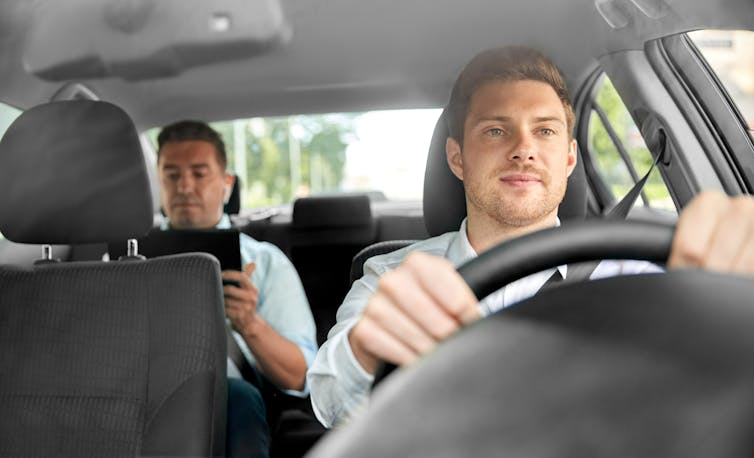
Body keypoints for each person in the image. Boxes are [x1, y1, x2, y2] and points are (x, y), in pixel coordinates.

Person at [307, 46, 754, 429]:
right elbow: (329, 403)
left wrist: (729, 299)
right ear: (457, 158)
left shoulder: (638, 274)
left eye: (545, 130)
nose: (524, 148)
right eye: (496, 130)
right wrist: (369, 347)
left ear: (569, 159)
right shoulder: (394, 279)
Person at [156, 120, 318, 457]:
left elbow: (302, 377)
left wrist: (249, 323)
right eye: (172, 175)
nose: (185, 186)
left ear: (226, 184)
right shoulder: (127, 261)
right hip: (139, 390)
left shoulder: (265, 262)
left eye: (199, 174)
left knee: (236, 397)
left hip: (231, 399)